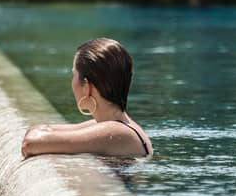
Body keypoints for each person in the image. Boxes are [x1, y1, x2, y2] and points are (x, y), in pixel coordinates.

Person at [21, 37, 152, 159]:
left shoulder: (114, 131)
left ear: (87, 86)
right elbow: (43, 130)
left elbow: (31, 144)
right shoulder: (110, 125)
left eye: (74, 75)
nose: (72, 82)